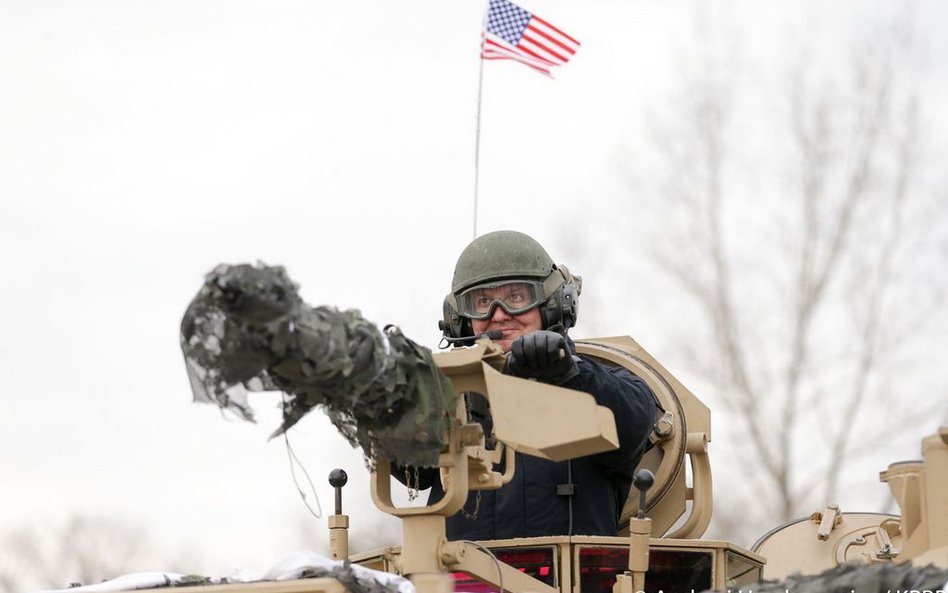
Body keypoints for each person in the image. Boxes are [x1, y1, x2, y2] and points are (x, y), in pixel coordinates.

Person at [410, 230, 658, 541]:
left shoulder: (599, 382)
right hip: (462, 582)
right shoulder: (446, 396)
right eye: (482, 302)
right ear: (460, 319)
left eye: (516, 297)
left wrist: (568, 374)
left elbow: (631, 427)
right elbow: (411, 469)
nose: (498, 315)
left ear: (553, 304)